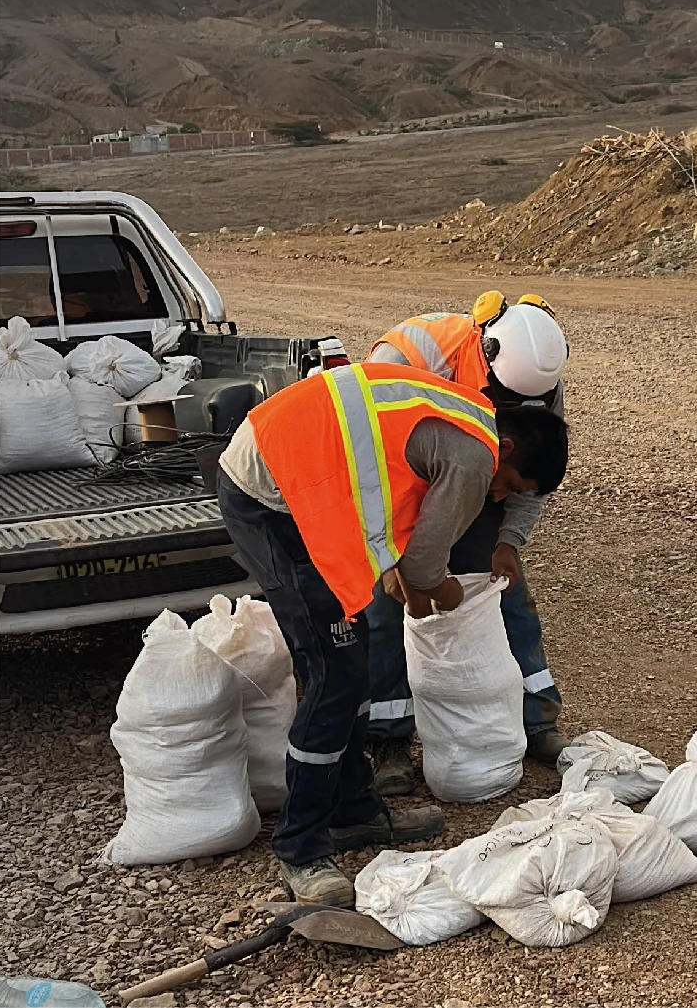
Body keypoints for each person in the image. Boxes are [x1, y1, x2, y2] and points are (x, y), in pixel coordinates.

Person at [217, 360, 569, 907]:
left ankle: (353, 809)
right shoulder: (476, 457)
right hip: (272, 495)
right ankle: (300, 847)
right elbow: (428, 564)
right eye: (509, 486)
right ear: (504, 449)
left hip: (305, 480)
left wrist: (398, 568)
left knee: (352, 657)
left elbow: (390, 494)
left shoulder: (467, 420)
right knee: (333, 675)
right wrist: (443, 591)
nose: (498, 499)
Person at [363, 292, 573, 791]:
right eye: (506, 402)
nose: (515, 410)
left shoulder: (538, 383)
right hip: (401, 485)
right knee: (385, 607)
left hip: (481, 472)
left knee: (505, 593)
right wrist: (389, 555)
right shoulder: (410, 360)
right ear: (487, 356)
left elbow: (534, 473)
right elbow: (370, 465)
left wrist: (509, 540)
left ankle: (536, 720)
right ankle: (390, 740)